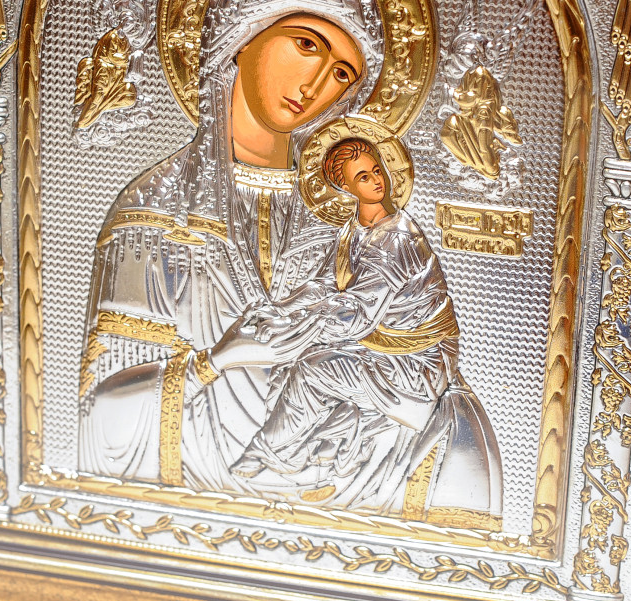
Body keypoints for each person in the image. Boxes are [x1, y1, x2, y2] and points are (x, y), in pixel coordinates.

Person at [78, 0, 384, 494]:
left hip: (323, 474)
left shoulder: (342, 224)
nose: (315, 85)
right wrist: (215, 362)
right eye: (306, 45)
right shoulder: (154, 210)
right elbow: (100, 413)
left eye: (342, 74)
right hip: (191, 477)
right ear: (242, 39)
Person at [230, 137, 502, 524]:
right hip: (380, 346)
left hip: (417, 359)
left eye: (377, 170)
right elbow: (325, 285)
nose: (376, 180)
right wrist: (282, 309)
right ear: (345, 186)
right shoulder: (353, 231)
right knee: (301, 360)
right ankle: (320, 454)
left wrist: (295, 325)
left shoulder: (397, 237)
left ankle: (269, 456)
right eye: (363, 177)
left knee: (310, 370)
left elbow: (359, 314)